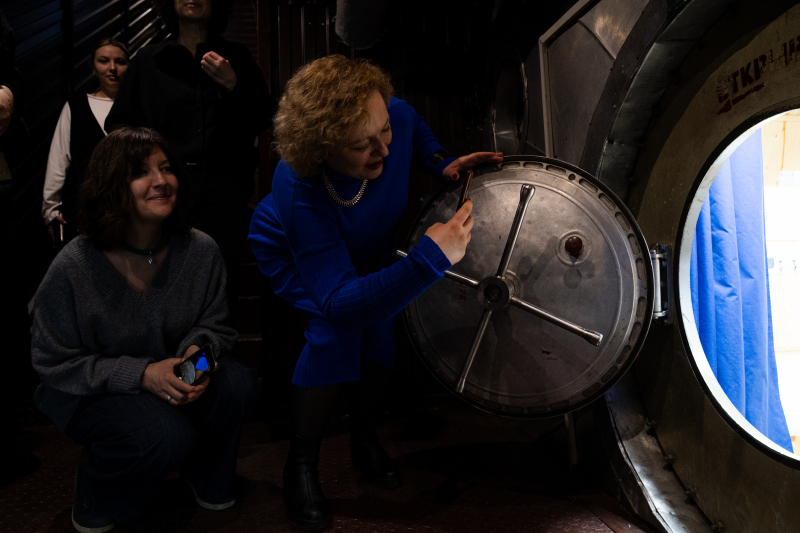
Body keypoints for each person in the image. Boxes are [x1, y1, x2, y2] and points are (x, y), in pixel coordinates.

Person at [248, 54, 503, 531]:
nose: (384, 149)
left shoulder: (391, 116)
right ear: (319, 146)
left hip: (371, 241)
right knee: (334, 333)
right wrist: (429, 259)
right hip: (297, 250)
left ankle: (364, 438)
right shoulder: (298, 185)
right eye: (360, 144)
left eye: (382, 131)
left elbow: (411, 125)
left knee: (382, 328)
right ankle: (301, 464)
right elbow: (340, 306)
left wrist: (440, 161)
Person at [31, 127, 259, 533]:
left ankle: (205, 473)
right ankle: (98, 488)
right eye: (141, 172)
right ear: (111, 186)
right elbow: (53, 362)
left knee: (237, 384)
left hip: (171, 372)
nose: (161, 181)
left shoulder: (200, 249)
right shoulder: (74, 266)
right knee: (165, 435)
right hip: (91, 391)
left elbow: (217, 330)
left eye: (166, 168)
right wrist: (141, 374)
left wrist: (198, 356)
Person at [106, 0, 271, 315]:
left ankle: (211, 348)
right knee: (164, 283)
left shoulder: (236, 57)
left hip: (223, 190)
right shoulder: (148, 61)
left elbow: (262, 120)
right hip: (163, 189)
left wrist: (233, 85)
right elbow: (118, 125)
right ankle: (169, 349)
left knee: (220, 284)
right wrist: (148, 162)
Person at [41, 38, 129, 247]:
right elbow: (59, 159)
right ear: (93, 67)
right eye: (104, 61)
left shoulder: (138, 106)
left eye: (120, 61)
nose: (112, 68)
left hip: (129, 214)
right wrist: (50, 209)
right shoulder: (76, 106)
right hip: (83, 215)